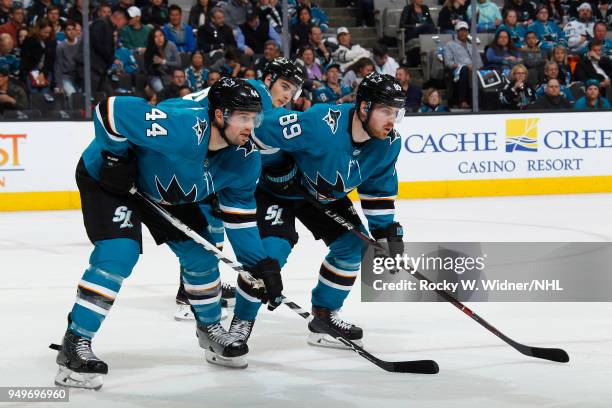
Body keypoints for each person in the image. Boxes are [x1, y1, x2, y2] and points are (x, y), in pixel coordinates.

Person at [51, 78, 284, 390]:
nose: (250, 127)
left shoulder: (245, 159)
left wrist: (260, 265)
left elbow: (240, 220)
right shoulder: (183, 125)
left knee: (202, 256)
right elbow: (112, 110)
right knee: (120, 253)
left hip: (167, 193)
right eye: (243, 118)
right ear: (219, 115)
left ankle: (210, 329)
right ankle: (75, 343)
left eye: (254, 119)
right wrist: (114, 157)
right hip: (113, 182)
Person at [231, 72, 406, 351]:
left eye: (396, 112)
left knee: (353, 245)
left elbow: (378, 190)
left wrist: (385, 231)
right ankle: (239, 324)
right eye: (386, 110)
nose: (391, 120)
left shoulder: (388, 144)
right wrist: (276, 166)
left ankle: (324, 317)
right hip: (278, 191)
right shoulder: (322, 123)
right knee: (269, 256)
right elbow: (260, 128)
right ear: (364, 107)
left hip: (324, 196)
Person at [174, 57, 305, 321]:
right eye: (285, 86)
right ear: (269, 81)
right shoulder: (257, 99)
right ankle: (189, 293)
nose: (288, 95)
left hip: (197, 150)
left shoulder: (247, 90)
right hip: (185, 148)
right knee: (207, 231)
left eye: (294, 90)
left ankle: (195, 287)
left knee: (214, 228)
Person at [88, 9, 129, 94]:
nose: (122, 27)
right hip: (91, 67)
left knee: (108, 94)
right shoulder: (101, 24)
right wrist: (113, 59)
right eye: (123, 24)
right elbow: (98, 44)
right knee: (94, 95)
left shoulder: (110, 27)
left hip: (101, 68)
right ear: (120, 19)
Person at [444, 21, 483, 108]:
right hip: (458, 71)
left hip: (473, 70)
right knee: (465, 70)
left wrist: (475, 67)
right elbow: (448, 63)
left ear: (467, 32)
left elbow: (480, 63)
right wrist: (463, 66)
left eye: (465, 31)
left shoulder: (472, 46)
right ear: (456, 32)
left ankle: (480, 101)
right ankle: (462, 101)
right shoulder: (450, 45)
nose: (462, 33)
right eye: (460, 31)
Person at [19, 17, 56, 94]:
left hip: (45, 70)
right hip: (30, 70)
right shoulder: (30, 40)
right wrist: (34, 73)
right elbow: (25, 58)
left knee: (45, 93)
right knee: (34, 93)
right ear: (38, 29)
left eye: (49, 32)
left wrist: (43, 72)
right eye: (44, 32)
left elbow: (50, 59)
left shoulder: (51, 41)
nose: (47, 35)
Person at [54, 20, 81, 99]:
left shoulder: (81, 44)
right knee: (72, 95)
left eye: (73, 29)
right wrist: (59, 85)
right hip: (66, 77)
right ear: (64, 32)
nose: (71, 32)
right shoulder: (61, 47)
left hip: (79, 77)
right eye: (69, 30)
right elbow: (58, 66)